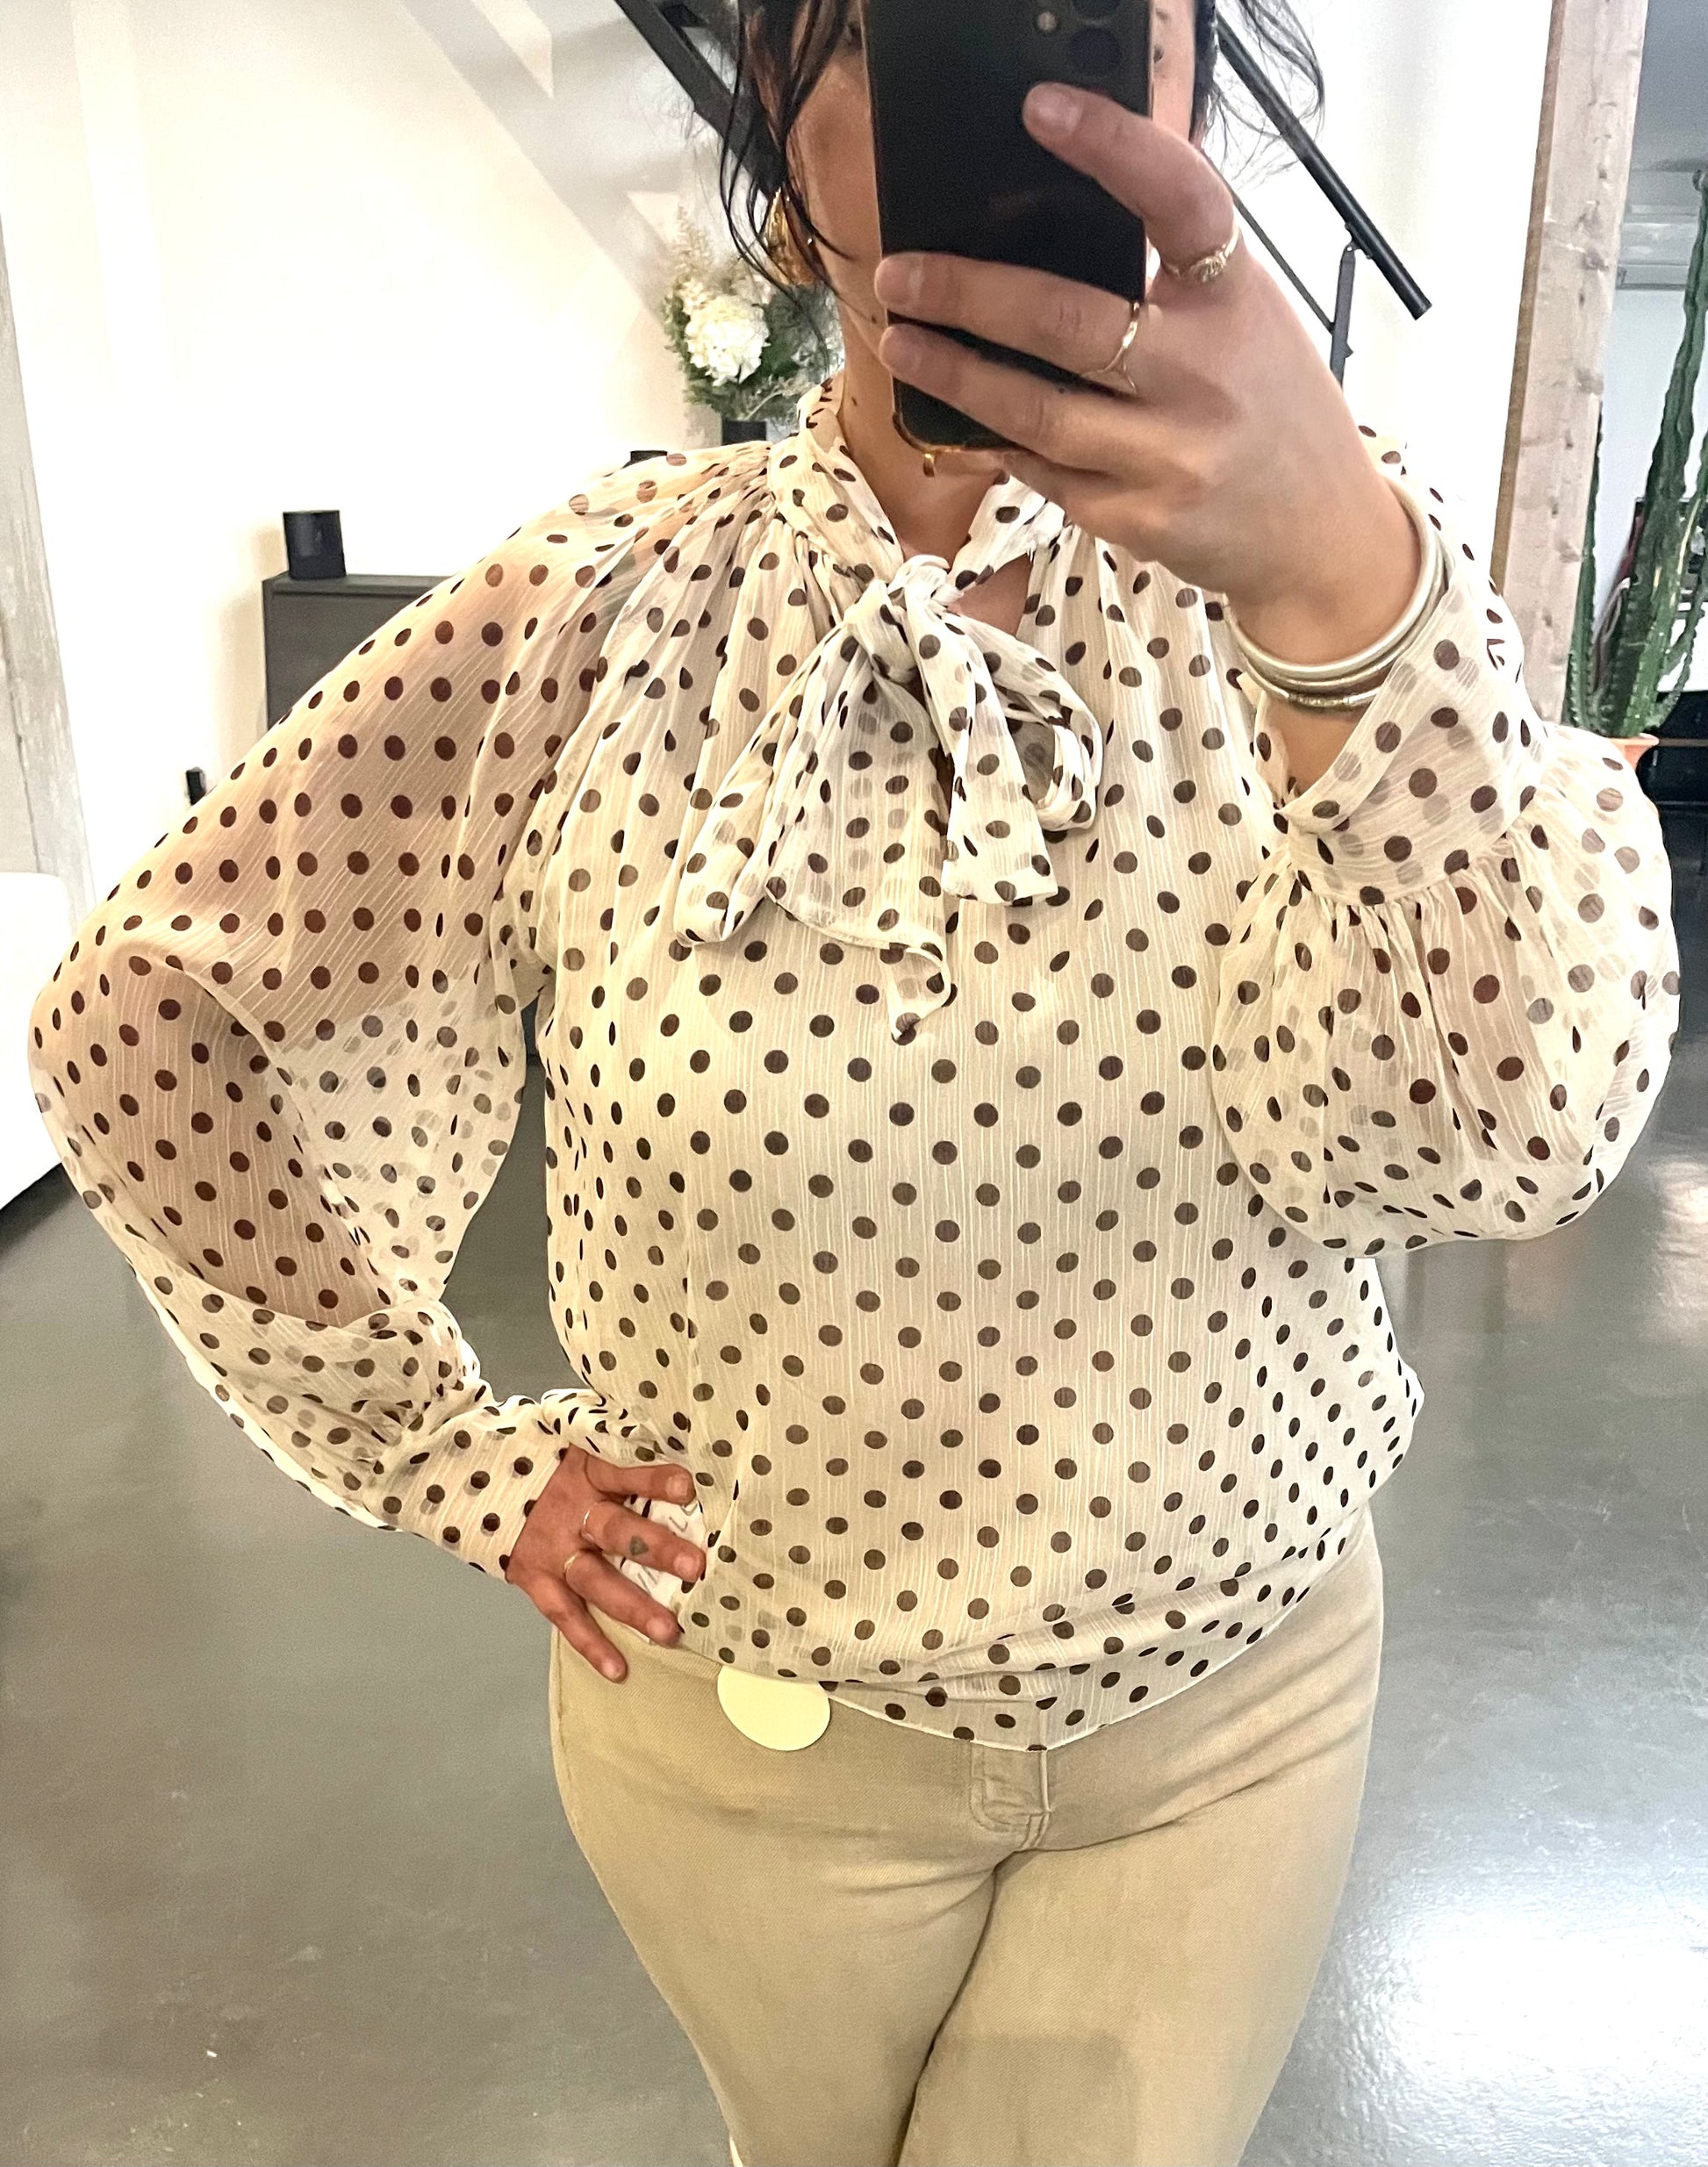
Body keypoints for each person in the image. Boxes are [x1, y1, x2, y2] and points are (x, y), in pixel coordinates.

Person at [25, 2, 1680, 2163]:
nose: (1029, 85)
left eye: (1103, 26)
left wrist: (1339, 588)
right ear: (787, 166)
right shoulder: (594, 613)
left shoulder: (1326, 584)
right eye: (915, 30)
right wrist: (437, 1449)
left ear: (1193, 104)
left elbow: (1517, 1133)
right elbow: (144, 1016)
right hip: (744, 1744)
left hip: (1229, 1710)